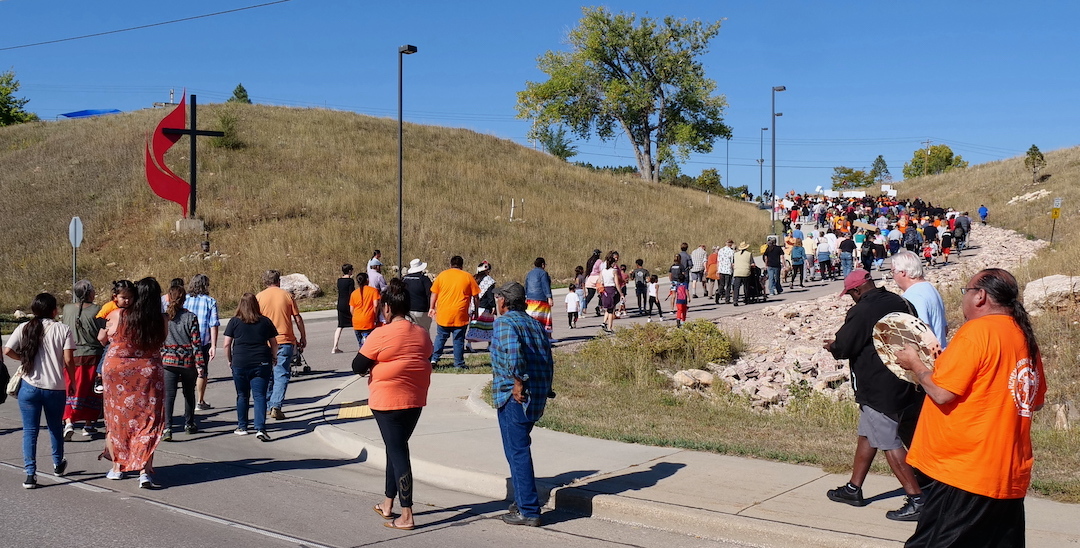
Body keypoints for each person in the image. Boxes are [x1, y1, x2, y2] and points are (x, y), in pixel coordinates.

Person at [897, 268, 1045, 547]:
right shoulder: (1024, 337)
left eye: (965, 292)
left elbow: (941, 393)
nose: (963, 299)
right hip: (1007, 472)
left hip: (966, 472)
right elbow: (1034, 402)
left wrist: (915, 364)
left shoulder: (976, 332)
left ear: (980, 296)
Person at [824, 269, 923, 521]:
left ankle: (917, 499)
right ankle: (853, 489)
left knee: (889, 441)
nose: (850, 298)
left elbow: (844, 346)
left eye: (850, 294)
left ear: (857, 291)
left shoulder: (862, 310)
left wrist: (832, 346)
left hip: (878, 387)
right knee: (868, 434)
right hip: (905, 380)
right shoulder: (901, 301)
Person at [353, 279, 433, 531]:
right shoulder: (421, 332)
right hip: (415, 399)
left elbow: (357, 366)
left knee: (398, 452)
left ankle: (407, 514)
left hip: (387, 401)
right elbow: (426, 353)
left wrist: (378, 365)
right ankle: (388, 504)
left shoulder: (380, 334)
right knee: (394, 447)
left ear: (387, 308)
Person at [490, 282, 554, 527]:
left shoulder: (505, 323)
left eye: (498, 299)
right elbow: (547, 359)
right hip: (535, 396)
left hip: (514, 396)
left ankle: (528, 510)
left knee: (517, 452)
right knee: (517, 449)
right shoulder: (535, 324)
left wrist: (518, 383)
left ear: (503, 302)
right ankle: (521, 501)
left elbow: (514, 354)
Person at [99, 277, 167, 489]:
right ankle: (144, 472)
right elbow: (161, 341)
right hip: (148, 373)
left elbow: (102, 338)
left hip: (117, 371)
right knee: (148, 420)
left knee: (116, 418)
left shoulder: (118, 314)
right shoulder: (161, 319)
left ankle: (118, 468)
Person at [5, 293, 75, 489]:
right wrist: (73, 381)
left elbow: (7, 350)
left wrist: (24, 359)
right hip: (55, 387)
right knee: (55, 427)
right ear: (54, 310)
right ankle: (58, 464)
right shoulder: (63, 329)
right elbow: (69, 360)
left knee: (30, 431)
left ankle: (30, 474)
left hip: (29, 386)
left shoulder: (24, 327)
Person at [223, 293, 278, 441]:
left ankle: (242, 426)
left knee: (242, 395)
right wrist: (274, 357)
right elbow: (274, 343)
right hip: (261, 362)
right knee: (259, 396)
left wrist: (230, 360)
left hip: (240, 362)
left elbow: (226, 344)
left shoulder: (234, 322)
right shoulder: (265, 321)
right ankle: (260, 428)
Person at [257, 270, 307, 421]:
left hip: (264, 342)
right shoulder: (286, 295)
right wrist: (302, 336)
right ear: (278, 281)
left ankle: (267, 405)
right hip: (284, 340)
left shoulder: (259, 297)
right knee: (281, 374)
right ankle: (276, 405)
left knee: (267, 375)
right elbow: (297, 318)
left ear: (265, 282)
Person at [160, 286, 205, 441]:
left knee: (169, 395)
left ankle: (167, 428)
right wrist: (200, 364)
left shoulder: (164, 318)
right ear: (184, 299)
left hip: (168, 361)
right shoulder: (190, 317)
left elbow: (159, 341)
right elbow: (196, 344)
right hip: (187, 362)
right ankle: (189, 423)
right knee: (188, 393)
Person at [61, 280, 104, 439]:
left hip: (70, 354)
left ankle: (69, 422)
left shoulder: (66, 309)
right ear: (90, 293)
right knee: (90, 390)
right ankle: (88, 424)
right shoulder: (97, 310)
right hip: (93, 355)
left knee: (70, 388)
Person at [428, 255, 480, 368]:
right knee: (458, 339)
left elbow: (434, 293)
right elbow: (476, 297)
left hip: (444, 313)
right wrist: (476, 311)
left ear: (450, 265)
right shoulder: (468, 277)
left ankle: (434, 359)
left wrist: (431, 307)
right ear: (462, 265)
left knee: (441, 337)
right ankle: (459, 363)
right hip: (460, 314)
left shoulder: (442, 275)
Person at [891, 251, 948, 346]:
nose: (893, 276)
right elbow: (945, 329)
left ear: (902, 273)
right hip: (941, 354)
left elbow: (922, 333)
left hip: (929, 358)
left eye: (893, 272)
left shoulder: (913, 295)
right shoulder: (930, 288)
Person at [184, 274, 220, 411]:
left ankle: (189, 399)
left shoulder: (185, 300)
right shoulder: (210, 301)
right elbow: (213, 324)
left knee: (188, 371)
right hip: (202, 342)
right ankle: (200, 400)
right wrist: (214, 345)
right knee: (202, 371)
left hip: (186, 340)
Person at [466, 261, 497, 346]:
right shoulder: (489, 281)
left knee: (474, 326)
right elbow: (490, 295)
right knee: (489, 327)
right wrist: (493, 306)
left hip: (474, 306)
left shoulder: (473, 279)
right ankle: (489, 345)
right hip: (485, 306)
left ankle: (469, 344)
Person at [523, 257, 554, 338]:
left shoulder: (529, 273)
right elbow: (545, 285)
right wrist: (549, 297)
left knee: (532, 317)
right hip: (541, 299)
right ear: (543, 265)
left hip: (530, 299)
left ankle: (531, 335)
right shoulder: (543, 273)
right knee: (546, 317)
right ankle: (548, 336)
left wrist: (525, 296)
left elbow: (526, 285)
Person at [402, 258, 433, 335]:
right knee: (424, 331)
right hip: (422, 310)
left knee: (410, 333)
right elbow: (429, 294)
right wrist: (431, 307)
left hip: (408, 310)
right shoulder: (424, 279)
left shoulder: (404, 279)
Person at [349, 272, 380, 347]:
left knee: (361, 344)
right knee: (370, 345)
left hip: (357, 321)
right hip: (368, 320)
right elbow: (376, 305)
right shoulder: (373, 291)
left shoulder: (354, 293)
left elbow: (351, 309)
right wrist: (375, 316)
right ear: (367, 280)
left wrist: (356, 316)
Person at [332, 264, 355, 353]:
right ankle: (362, 344)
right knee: (356, 324)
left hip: (340, 303)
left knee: (340, 325)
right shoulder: (350, 281)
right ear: (349, 271)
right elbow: (351, 293)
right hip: (348, 304)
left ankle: (335, 346)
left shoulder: (339, 280)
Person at [599, 251, 624, 334]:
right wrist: (621, 293)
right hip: (612, 290)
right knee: (611, 310)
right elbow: (617, 283)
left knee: (608, 308)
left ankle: (606, 324)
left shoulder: (603, 271)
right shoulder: (614, 271)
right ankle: (610, 327)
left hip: (605, 290)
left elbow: (600, 281)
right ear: (612, 263)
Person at [731, 242, 754, 306]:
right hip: (745, 271)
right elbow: (752, 263)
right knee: (746, 286)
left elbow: (733, 263)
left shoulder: (735, 254)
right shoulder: (749, 254)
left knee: (736, 287)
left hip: (737, 272)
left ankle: (735, 300)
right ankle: (746, 299)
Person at [583, 249, 603, 316]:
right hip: (597, 278)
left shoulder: (589, 261)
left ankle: (584, 307)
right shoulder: (599, 261)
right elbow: (601, 270)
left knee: (590, 295)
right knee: (601, 294)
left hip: (590, 278)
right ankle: (599, 306)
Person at [715, 240, 735, 304]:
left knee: (721, 284)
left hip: (721, 269)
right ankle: (727, 299)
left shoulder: (720, 250)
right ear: (731, 244)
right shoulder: (731, 252)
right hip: (728, 270)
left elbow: (718, 261)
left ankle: (718, 295)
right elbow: (732, 262)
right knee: (728, 285)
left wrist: (718, 270)